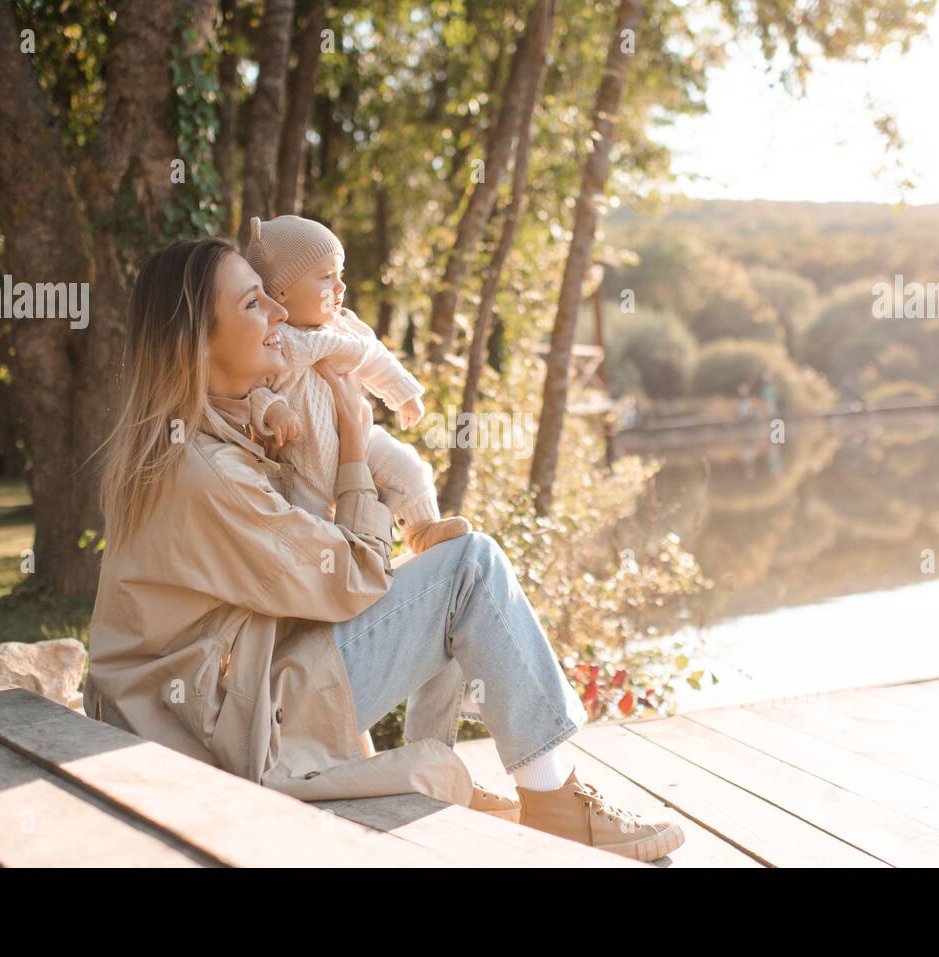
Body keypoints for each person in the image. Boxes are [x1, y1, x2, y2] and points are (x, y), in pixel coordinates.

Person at [82, 235, 685, 862]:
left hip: (214, 709)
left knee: (444, 569)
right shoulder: (205, 473)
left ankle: (523, 785)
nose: (282, 314)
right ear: (199, 341)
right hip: (232, 735)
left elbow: (311, 577)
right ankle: (555, 800)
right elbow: (353, 577)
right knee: (467, 569)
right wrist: (351, 442)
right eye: (255, 304)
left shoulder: (202, 439)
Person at [240, 214, 471, 554]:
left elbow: (375, 356)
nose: (340, 287)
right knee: (312, 528)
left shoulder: (344, 327)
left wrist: (404, 393)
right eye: (326, 276)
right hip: (303, 459)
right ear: (282, 290)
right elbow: (252, 389)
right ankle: (333, 579)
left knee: (408, 466)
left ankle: (422, 530)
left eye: (341, 275)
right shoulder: (275, 341)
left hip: (361, 440)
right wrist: (273, 409)